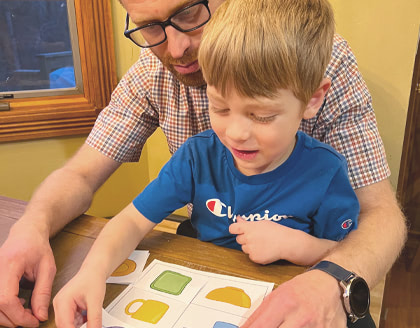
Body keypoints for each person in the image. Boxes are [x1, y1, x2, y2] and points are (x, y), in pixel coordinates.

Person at [0, 0, 406, 327]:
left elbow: (379, 215)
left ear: (310, 100)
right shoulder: (186, 134)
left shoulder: (313, 58)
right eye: (149, 27)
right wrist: (32, 225)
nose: (175, 50)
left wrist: (324, 273)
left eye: (188, 13)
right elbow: (83, 176)